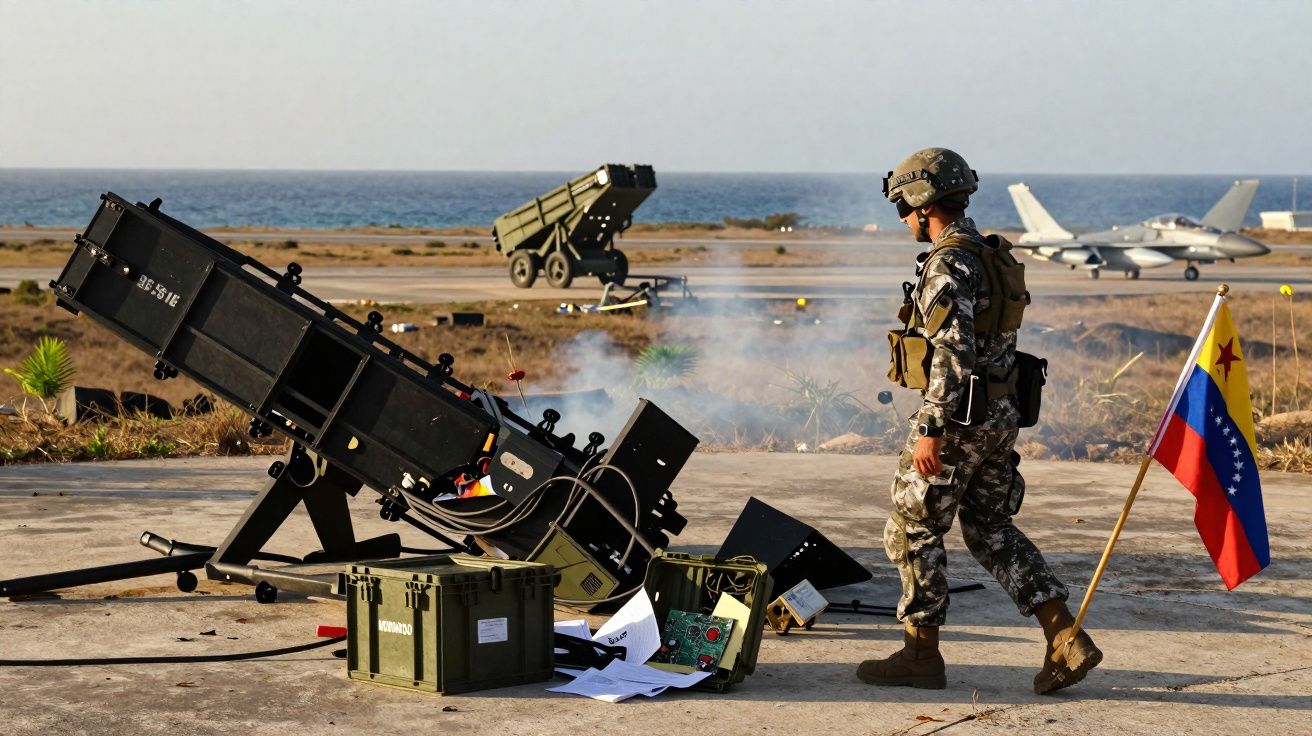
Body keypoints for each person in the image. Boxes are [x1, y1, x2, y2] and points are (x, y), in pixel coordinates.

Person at [856, 148, 1102, 694]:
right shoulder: (990, 254)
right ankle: (1063, 634)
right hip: (1001, 415)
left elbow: (952, 353)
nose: (902, 219)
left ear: (925, 204)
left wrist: (931, 429)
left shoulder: (949, 262)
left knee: (914, 525)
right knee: (990, 528)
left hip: (960, 419)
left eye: (904, 207)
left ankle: (920, 656)